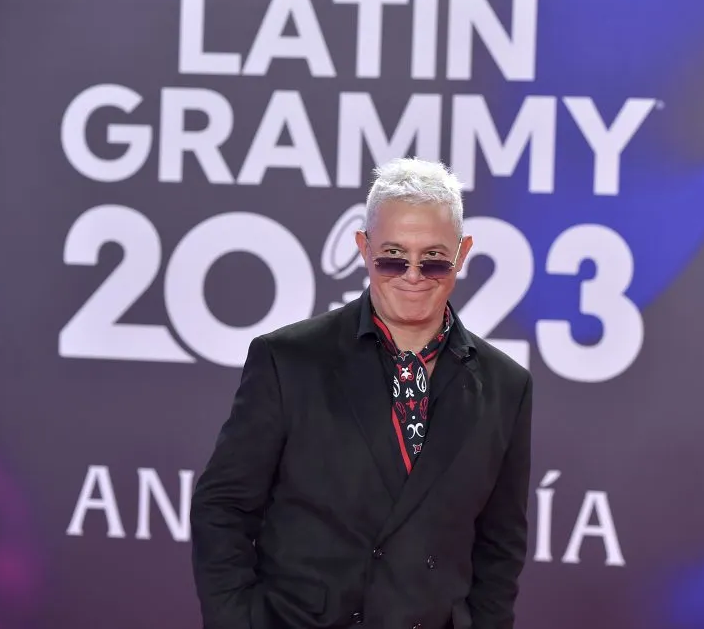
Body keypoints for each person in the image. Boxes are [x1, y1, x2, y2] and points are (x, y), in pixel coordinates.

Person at [191, 157, 533, 629]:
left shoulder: (506, 386)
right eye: (393, 256)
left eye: (433, 259)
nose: (412, 275)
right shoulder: (290, 360)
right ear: (363, 248)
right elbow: (223, 508)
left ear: (463, 252)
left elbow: (500, 545)